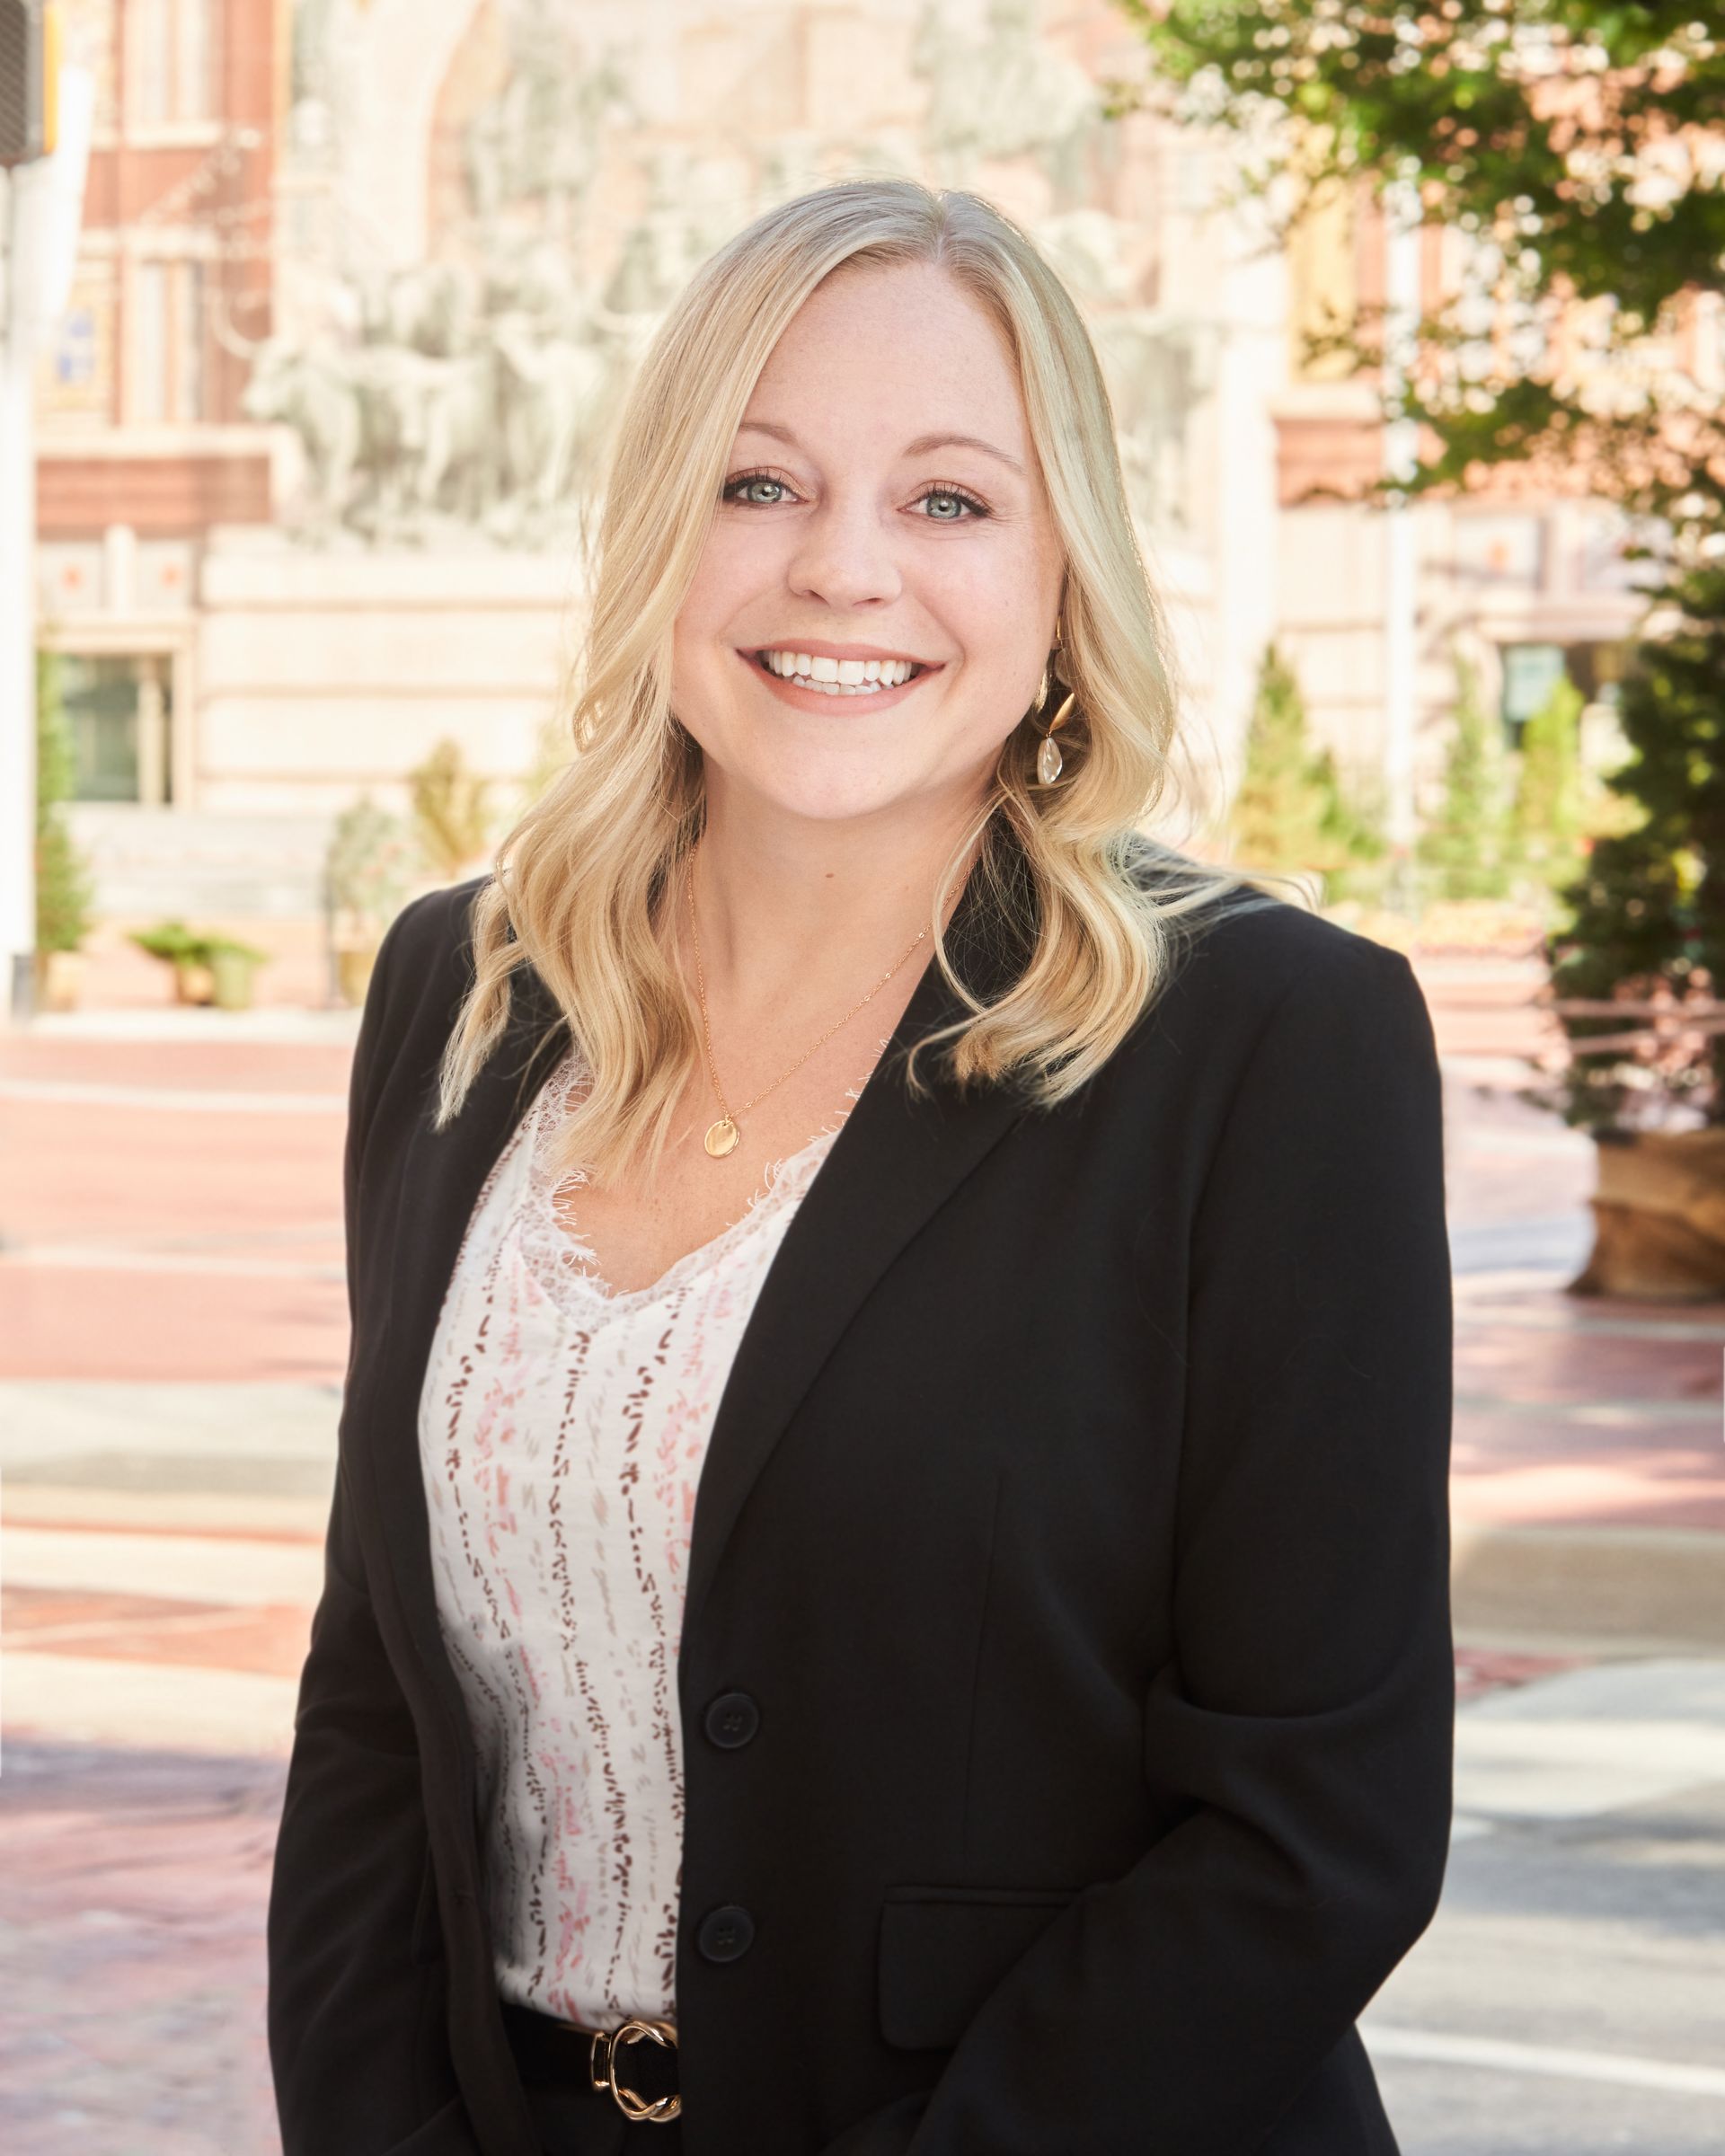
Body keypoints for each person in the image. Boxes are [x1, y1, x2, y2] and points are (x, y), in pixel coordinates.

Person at [267, 178, 1454, 2156]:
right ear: (660, 534)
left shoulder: (1270, 1045)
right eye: (759, 485)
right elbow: (374, 1702)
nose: (842, 572)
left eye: (948, 502)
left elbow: (1308, 1828)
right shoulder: (462, 996)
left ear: (1063, 572)